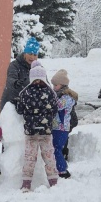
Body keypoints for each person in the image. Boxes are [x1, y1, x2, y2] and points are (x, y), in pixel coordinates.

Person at [15, 61, 59, 191]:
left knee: (29, 158)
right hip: (46, 132)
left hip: (31, 132)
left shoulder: (25, 92)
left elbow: (19, 110)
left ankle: (26, 183)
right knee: (49, 157)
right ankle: (53, 181)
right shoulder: (50, 92)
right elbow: (55, 109)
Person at [51, 69, 79, 179]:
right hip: (57, 127)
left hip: (61, 128)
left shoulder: (67, 97)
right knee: (55, 148)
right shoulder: (60, 95)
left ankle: (62, 170)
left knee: (56, 148)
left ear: (62, 85)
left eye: (56, 85)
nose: (54, 87)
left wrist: (50, 97)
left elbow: (58, 106)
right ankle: (59, 167)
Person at [0, 37, 40, 111]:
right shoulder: (15, 65)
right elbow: (10, 79)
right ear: (25, 53)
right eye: (30, 54)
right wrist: (15, 83)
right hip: (11, 103)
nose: (32, 57)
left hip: (27, 105)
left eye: (35, 55)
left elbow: (45, 82)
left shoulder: (38, 68)